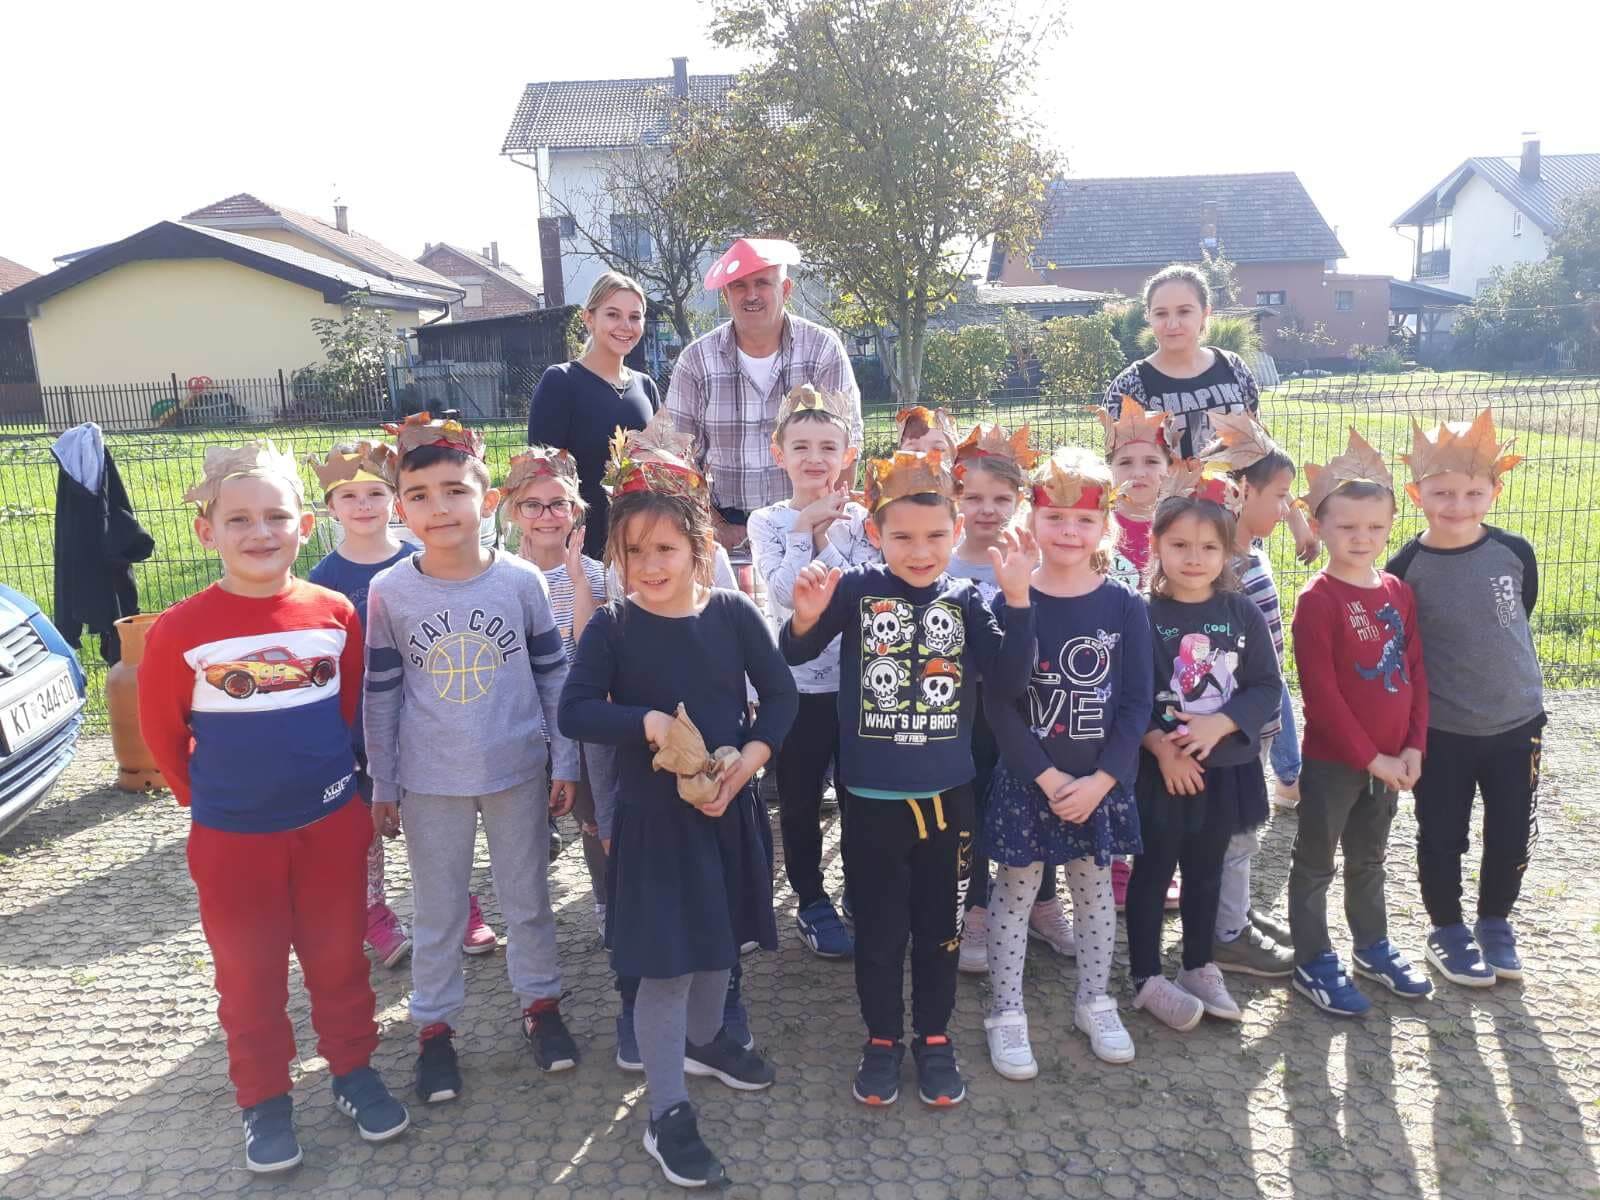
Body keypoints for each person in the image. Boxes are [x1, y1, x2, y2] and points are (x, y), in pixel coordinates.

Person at [139, 441, 408, 1173]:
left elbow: (349, 712)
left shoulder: (333, 613)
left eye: (276, 517)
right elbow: (163, 735)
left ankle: (352, 1071)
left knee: (338, 958)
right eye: (239, 520)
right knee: (250, 973)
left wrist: (337, 791)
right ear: (207, 532)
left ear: (305, 526)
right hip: (233, 839)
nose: (260, 533)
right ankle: (263, 1099)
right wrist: (216, 802)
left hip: (330, 826)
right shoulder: (181, 629)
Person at [559, 412, 798, 1190]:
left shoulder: (731, 615)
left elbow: (782, 696)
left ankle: (705, 1041)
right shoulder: (614, 628)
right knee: (665, 967)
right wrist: (649, 722)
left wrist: (750, 761)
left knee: (719, 944)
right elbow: (575, 710)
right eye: (633, 552)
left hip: (727, 809)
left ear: (699, 547)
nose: (649, 565)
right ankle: (666, 1113)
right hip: (654, 827)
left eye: (665, 548)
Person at [783, 448, 1036, 1109]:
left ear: (956, 531)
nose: (919, 552)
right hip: (871, 801)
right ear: (875, 533)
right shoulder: (856, 589)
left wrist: (1017, 600)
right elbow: (796, 650)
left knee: (940, 930)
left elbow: (1010, 681)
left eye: (934, 536)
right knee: (879, 930)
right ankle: (881, 1039)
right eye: (902, 537)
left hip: (949, 800)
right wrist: (805, 616)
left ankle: (934, 1038)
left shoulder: (968, 600)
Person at [363, 413, 581, 1103]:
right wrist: (384, 781)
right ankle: (434, 1029)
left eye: (455, 490)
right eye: (420, 495)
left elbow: (554, 677)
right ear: (401, 510)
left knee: (527, 899)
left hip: (516, 772)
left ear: (488, 501)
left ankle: (541, 1006)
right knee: (438, 912)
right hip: (430, 783)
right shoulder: (389, 592)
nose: (439, 507)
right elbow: (380, 693)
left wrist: (565, 762)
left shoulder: (521, 582)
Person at [981, 448, 1152, 1076]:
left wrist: (1102, 781)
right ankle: (1005, 1010)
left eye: (1084, 519)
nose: (1069, 531)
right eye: (1055, 517)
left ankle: (1095, 1000)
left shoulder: (1125, 605)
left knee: (1094, 894)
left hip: (1098, 786)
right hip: (1032, 782)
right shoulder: (1011, 600)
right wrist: (1049, 777)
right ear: (1032, 518)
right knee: (1015, 894)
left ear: (1105, 523)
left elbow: (1136, 704)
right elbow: (1000, 706)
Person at [307, 440, 497, 969]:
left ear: (395, 500)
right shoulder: (322, 582)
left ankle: (459, 905)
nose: (363, 506)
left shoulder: (421, 564)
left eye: (374, 493)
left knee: (435, 827)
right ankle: (373, 913)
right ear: (330, 507)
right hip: (355, 731)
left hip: (422, 724)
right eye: (349, 496)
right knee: (365, 831)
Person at [1387, 409, 1543, 987]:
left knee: (1510, 828)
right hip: (1443, 731)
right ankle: (1447, 928)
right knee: (1442, 832)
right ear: (1416, 494)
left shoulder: (1515, 552)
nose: (1459, 505)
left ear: (1495, 492)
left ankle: (1495, 922)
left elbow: (1520, 612)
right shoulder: (1404, 569)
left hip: (1516, 723)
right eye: (1443, 493)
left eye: (1474, 492)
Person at [1126, 465, 1281, 1032]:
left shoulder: (1242, 613)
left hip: (1225, 769)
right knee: (1153, 871)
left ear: (1228, 551)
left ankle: (1198, 964)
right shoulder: (1140, 616)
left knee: (1207, 870)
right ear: (1156, 546)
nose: (1194, 558)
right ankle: (1145, 976)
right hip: (1162, 772)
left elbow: (1266, 686)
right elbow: (1129, 696)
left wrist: (1221, 724)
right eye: (1180, 545)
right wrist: (1162, 750)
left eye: (1209, 547)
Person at [1288, 429, 1433, 1016]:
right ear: (1319, 527)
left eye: (1375, 527)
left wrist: (1414, 747)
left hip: (1393, 761)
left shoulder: (1398, 591)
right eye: (1347, 526)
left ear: (1392, 524)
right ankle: (1313, 959)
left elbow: (1415, 672)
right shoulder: (1317, 600)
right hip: (1336, 763)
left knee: (1370, 859)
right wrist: (1371, 758)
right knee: (1316, 863)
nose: (1361, 538)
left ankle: (1371, 947)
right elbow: (1322, 698)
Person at [747, 385, 876, 960]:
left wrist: (829, 533)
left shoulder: (867, 521)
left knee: (859, 798)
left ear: (848, 454)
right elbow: (785, 593)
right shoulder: (769, 522)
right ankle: (811, 899)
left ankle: (859, 889)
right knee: (798, 802)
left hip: (859, 688)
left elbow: (862, 593)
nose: (815, 458)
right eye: (801, 446)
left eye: (828, 446)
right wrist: (807, 528)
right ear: (780, 454)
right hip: (797, 691)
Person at [946, 424, 1074, 973]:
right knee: (972, 804)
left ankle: (1043, 902)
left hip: (1028, 708)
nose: (987, 510)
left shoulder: (1035, 561)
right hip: (964, 713)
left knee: (1034, 798)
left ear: (1020, 500)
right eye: (973, 497)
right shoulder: (943, 562)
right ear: (955, 499)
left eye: (1001, 498)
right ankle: (975, 908)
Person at [1105, 264, 1320, 563]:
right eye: (1161, 313)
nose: (1172, 323)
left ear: (1206, 313)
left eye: (1184, 311)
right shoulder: (1131, 385)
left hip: (1238, 532)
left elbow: (1260, 455)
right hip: (1175, 538)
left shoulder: (1233, 369)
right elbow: (1123, 474)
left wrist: (1296, 520)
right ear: (1148, 316)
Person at [666, 237, 863, 553]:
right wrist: (716, 527)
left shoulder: (823, 350)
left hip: (809, 525)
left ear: (785, 289)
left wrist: (819, 525)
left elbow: (846, 446)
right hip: (724, 531)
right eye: (739, 286)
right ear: (725, 294)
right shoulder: (696, 361)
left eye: (762, 283)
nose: (752, 295)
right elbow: (676, 458)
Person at [1194, 415, 1298, 979]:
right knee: (1235, 834)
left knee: (1243, 833)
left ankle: (1232, 914)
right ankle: (1226, 934)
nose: (1286, 508)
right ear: (1240, 491)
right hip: (1230, 728)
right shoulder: (1224, 568)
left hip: (1254, 722)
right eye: (1279, 496)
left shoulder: (1252, 552)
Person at [503, 444, 615, 937]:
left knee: (594, 821)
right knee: (523, 830)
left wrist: (577, 581)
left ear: (576, 510)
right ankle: (525, 921)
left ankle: (609, 904)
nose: (547, 516)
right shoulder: (500, 576)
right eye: (533, 505)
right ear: (514, 511)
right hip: (523, 724)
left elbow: (593, 652)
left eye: (558, 505)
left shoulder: (596, 574)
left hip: (578, 724)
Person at [1097, 396, 1175, 911]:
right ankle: (1113, 863)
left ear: (1170, 468)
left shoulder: (1180, 526)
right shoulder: (1098, 528)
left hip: (1169, 669)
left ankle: (1155, 861)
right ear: (1110, 470)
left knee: (1156, 770)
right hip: (1113, 671)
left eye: (1151, 461)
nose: (1139, 472)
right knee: (1118, 765)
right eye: (1126, 461)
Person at [528, 271, 661, 560]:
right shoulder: (560, 382)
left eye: (635, 317)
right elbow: (542, 475)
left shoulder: (646, 386)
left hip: (640, 541)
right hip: (581, 545)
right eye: (613, 315)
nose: (625, 326)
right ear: (589, 318)